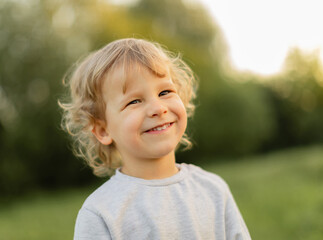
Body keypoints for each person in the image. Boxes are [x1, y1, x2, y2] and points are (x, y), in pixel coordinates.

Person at [60, 38, 251, 240]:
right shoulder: (100, 214)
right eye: (134, 101)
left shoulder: (214, 190)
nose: (158, 108)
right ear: (103, 131)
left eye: (165, 92)